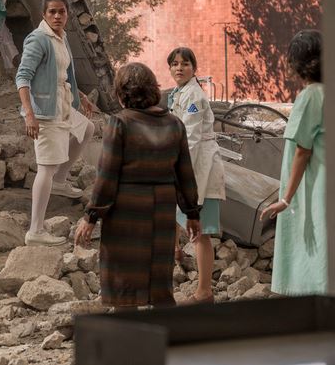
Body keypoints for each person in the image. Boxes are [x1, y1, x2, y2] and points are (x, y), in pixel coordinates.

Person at [74, 63, 201, 308]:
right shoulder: (174, 124)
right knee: (160, 282)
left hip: (126, 213)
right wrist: (192, 213)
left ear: (122, 93)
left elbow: (107, 176)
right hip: (161, 212)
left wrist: (91, 217)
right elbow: (184, 174)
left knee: (124, 283)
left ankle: (128, 330)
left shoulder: (120, 124)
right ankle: (166, 330)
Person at [16, 0, 96, 246]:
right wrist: (29, 115)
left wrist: (81, 96)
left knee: (87, 128)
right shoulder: (38, 39)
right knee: (46, 168)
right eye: (52, 11)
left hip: (63, 103)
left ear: (67, 14)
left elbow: (62, 73)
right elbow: (22, 77)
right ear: (44, 14)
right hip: (44, 110)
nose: (57, 16)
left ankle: (61, 181)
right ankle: (35, 230)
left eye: (62, 11)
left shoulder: (62, 37)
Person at [260, 29, 325, 295]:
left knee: (312, 245)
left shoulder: (310, 96)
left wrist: (286, 199)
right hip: (330, 183)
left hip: (312, 185)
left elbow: (302, 150)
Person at [167, 47, 226, 304]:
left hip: (200, 168)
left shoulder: (194, 96)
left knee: (201, 232)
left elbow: (190, 139)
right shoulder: (180, 93)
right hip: (190, 166)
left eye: (185, 64)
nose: (179, 68)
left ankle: (204, 292)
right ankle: (177, 255)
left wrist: (178, 169)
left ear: (194, 68)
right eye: (175, 64)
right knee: (178, 217)